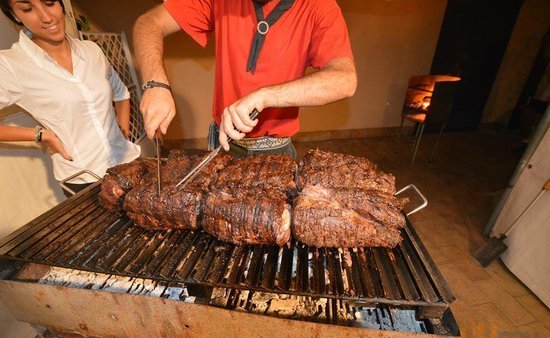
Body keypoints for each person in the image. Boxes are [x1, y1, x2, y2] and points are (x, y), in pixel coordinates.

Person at [134, 0, 357, 158]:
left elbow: (345, 79)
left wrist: (264, 96)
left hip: (275, 151)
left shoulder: (320, 6)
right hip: (223, 143)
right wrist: (155, 83)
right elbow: (149, 23)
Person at [0, 0, 140, 197]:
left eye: (49, 2)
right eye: (27, 9)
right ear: (15, 15)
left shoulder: (91, 50)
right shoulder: (10, 65)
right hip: (86, 179)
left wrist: (123, 133)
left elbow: (121, 93)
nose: (46, 17)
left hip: (129, 163)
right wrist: (41, 134)